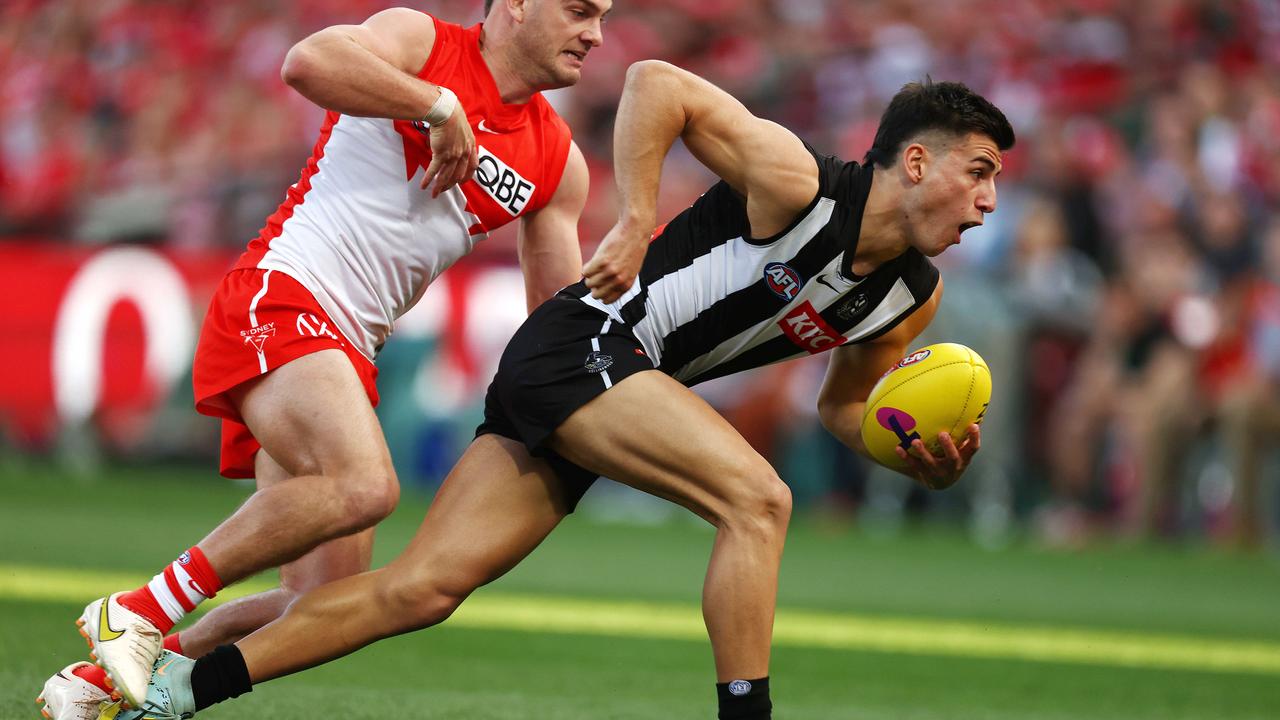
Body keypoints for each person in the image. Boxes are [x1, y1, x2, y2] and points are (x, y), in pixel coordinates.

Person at [106, 60, 1011, 720]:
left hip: (612, 388)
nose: (989, 203)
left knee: (417, 592)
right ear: (919, 163)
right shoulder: (799, 182)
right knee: (758, 499)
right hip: (588, 343)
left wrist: (910, 459)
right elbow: (659, 83)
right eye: (980, 172)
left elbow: (841, 409)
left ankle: (172, 690)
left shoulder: (906, 299)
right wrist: (637, 219)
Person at [38, 0, 605, 717]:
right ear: (517, 6)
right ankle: (137, 610)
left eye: (605, 17)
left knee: (321, 608)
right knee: (365, 484)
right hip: (282, 292)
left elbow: (553, 322)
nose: (595, 34)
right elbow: (307, 62)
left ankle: (100, 687)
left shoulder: (558, 160)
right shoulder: (420, 40)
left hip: (343, 350)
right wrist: (435, 104)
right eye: (581, 10)